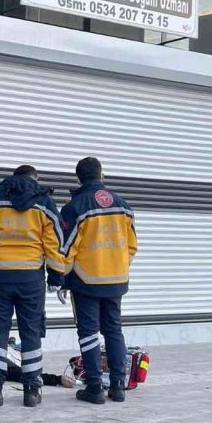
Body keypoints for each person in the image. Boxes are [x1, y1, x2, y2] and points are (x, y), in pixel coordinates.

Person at [0, 165, 65, 408]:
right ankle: (32, 391)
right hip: (31, 277)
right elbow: (54, 241)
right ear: (35, 179)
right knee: (31, 331)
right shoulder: (44, 202)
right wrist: (56, 274)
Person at [58, 157, 138, 404]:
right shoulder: (123, 205)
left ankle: (94, 387)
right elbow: (132, 246)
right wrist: (118, 266)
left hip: (86, 281)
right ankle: (118, 386)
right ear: (101, 175)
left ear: (79, 178)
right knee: (114, 330)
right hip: (116, 280)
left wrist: (62, 279)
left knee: (88, 332)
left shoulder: (75, 207)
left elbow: (67, 249)